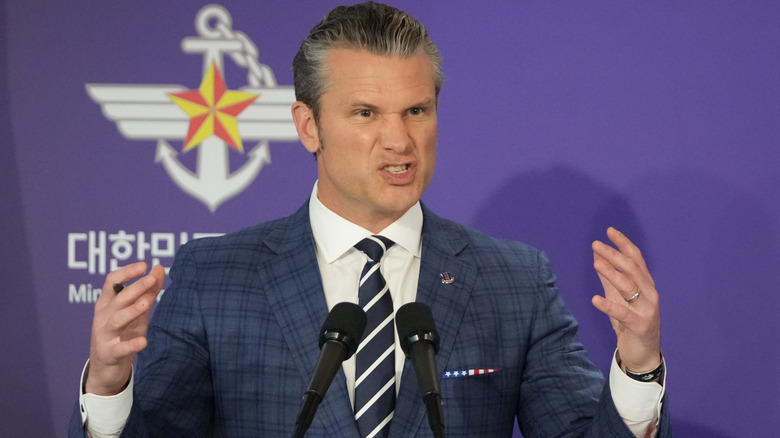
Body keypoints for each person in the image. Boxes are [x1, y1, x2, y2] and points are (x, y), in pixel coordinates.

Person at [70, 2, 669, 437]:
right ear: (309, 126)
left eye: (417, 110)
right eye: (365, 112)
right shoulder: (215, 276)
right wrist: (108, 384)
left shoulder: (513, 280)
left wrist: (638, 369)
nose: (399, 139)